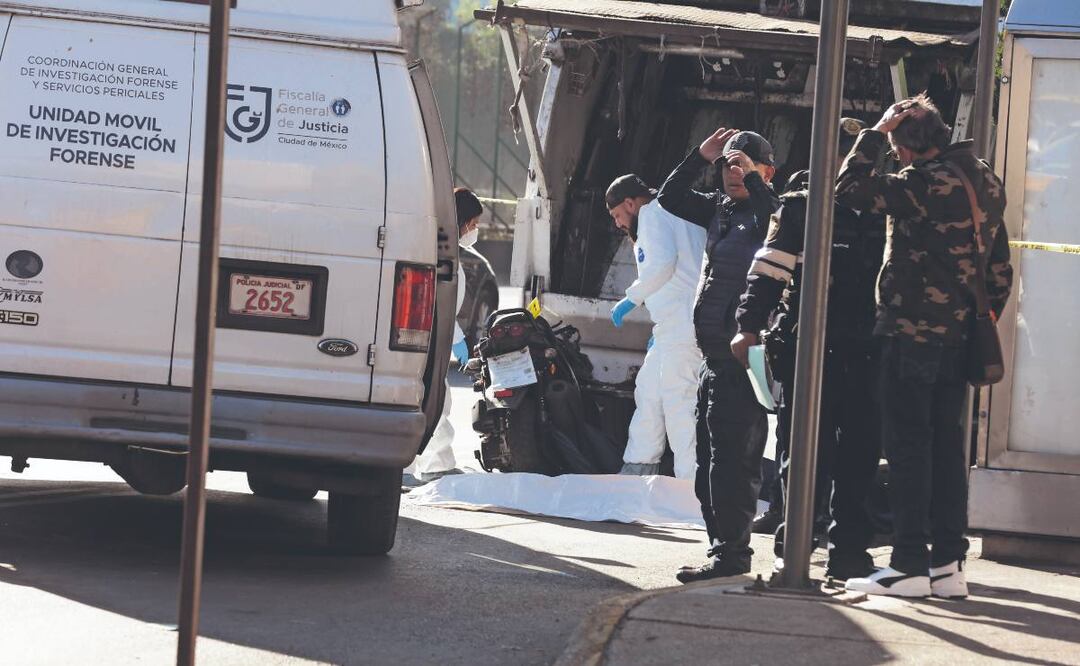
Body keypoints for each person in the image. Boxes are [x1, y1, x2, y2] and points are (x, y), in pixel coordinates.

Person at [836, 94, 1012, 598]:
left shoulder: (919, 183)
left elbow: (848, 189)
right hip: (960, 337)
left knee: (908, 447)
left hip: (911, 332)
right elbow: (1000, 268)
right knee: (946, 449)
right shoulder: (982, 179)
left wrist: (873, 133)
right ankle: (948, 566)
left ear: (904, 145)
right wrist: (973, 317)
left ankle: (908, 563)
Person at [731, 118, 886, 580]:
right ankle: (795, 547)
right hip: (811, 349)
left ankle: (849, 553)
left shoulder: (884, 209)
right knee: (803, 453)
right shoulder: (802, 207)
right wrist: (748, 327)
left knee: (859, 455)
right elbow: (769, 271)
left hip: (865, 351)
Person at [657, 128, 780, 582]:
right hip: (712, 359)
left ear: (767, 172)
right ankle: (721, 550)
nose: (734, 172)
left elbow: (775, 214)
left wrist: (753, 181)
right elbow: (669, 198)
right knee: (709, 465)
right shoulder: (720, 209)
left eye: (744, 164)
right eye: (729, 164)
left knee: (734, 464)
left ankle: (733, 554)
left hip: (743, 363)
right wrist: (700, 156)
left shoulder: (773, 215)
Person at [605, 174, 707, 479]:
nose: (618, 223)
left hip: (681, 329)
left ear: (630, 203)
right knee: (649, 393)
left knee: (680, 406)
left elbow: (663, 265)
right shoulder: (675, 212)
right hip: (674, 328)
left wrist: (631, 298)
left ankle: (690, 486)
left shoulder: (651, 215)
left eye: (617, 215)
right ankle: (637, 469)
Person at [403, 188, 483, 486]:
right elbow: (438, 304)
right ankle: (407, 468)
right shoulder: (439, 253)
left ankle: (434, 464)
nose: (474, 230)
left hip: (430, 336)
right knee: (425, 399)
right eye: (473, 224)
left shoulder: (442, 249)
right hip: (424, 336)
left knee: (434, 399)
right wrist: (456, 338)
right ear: (462, 221)